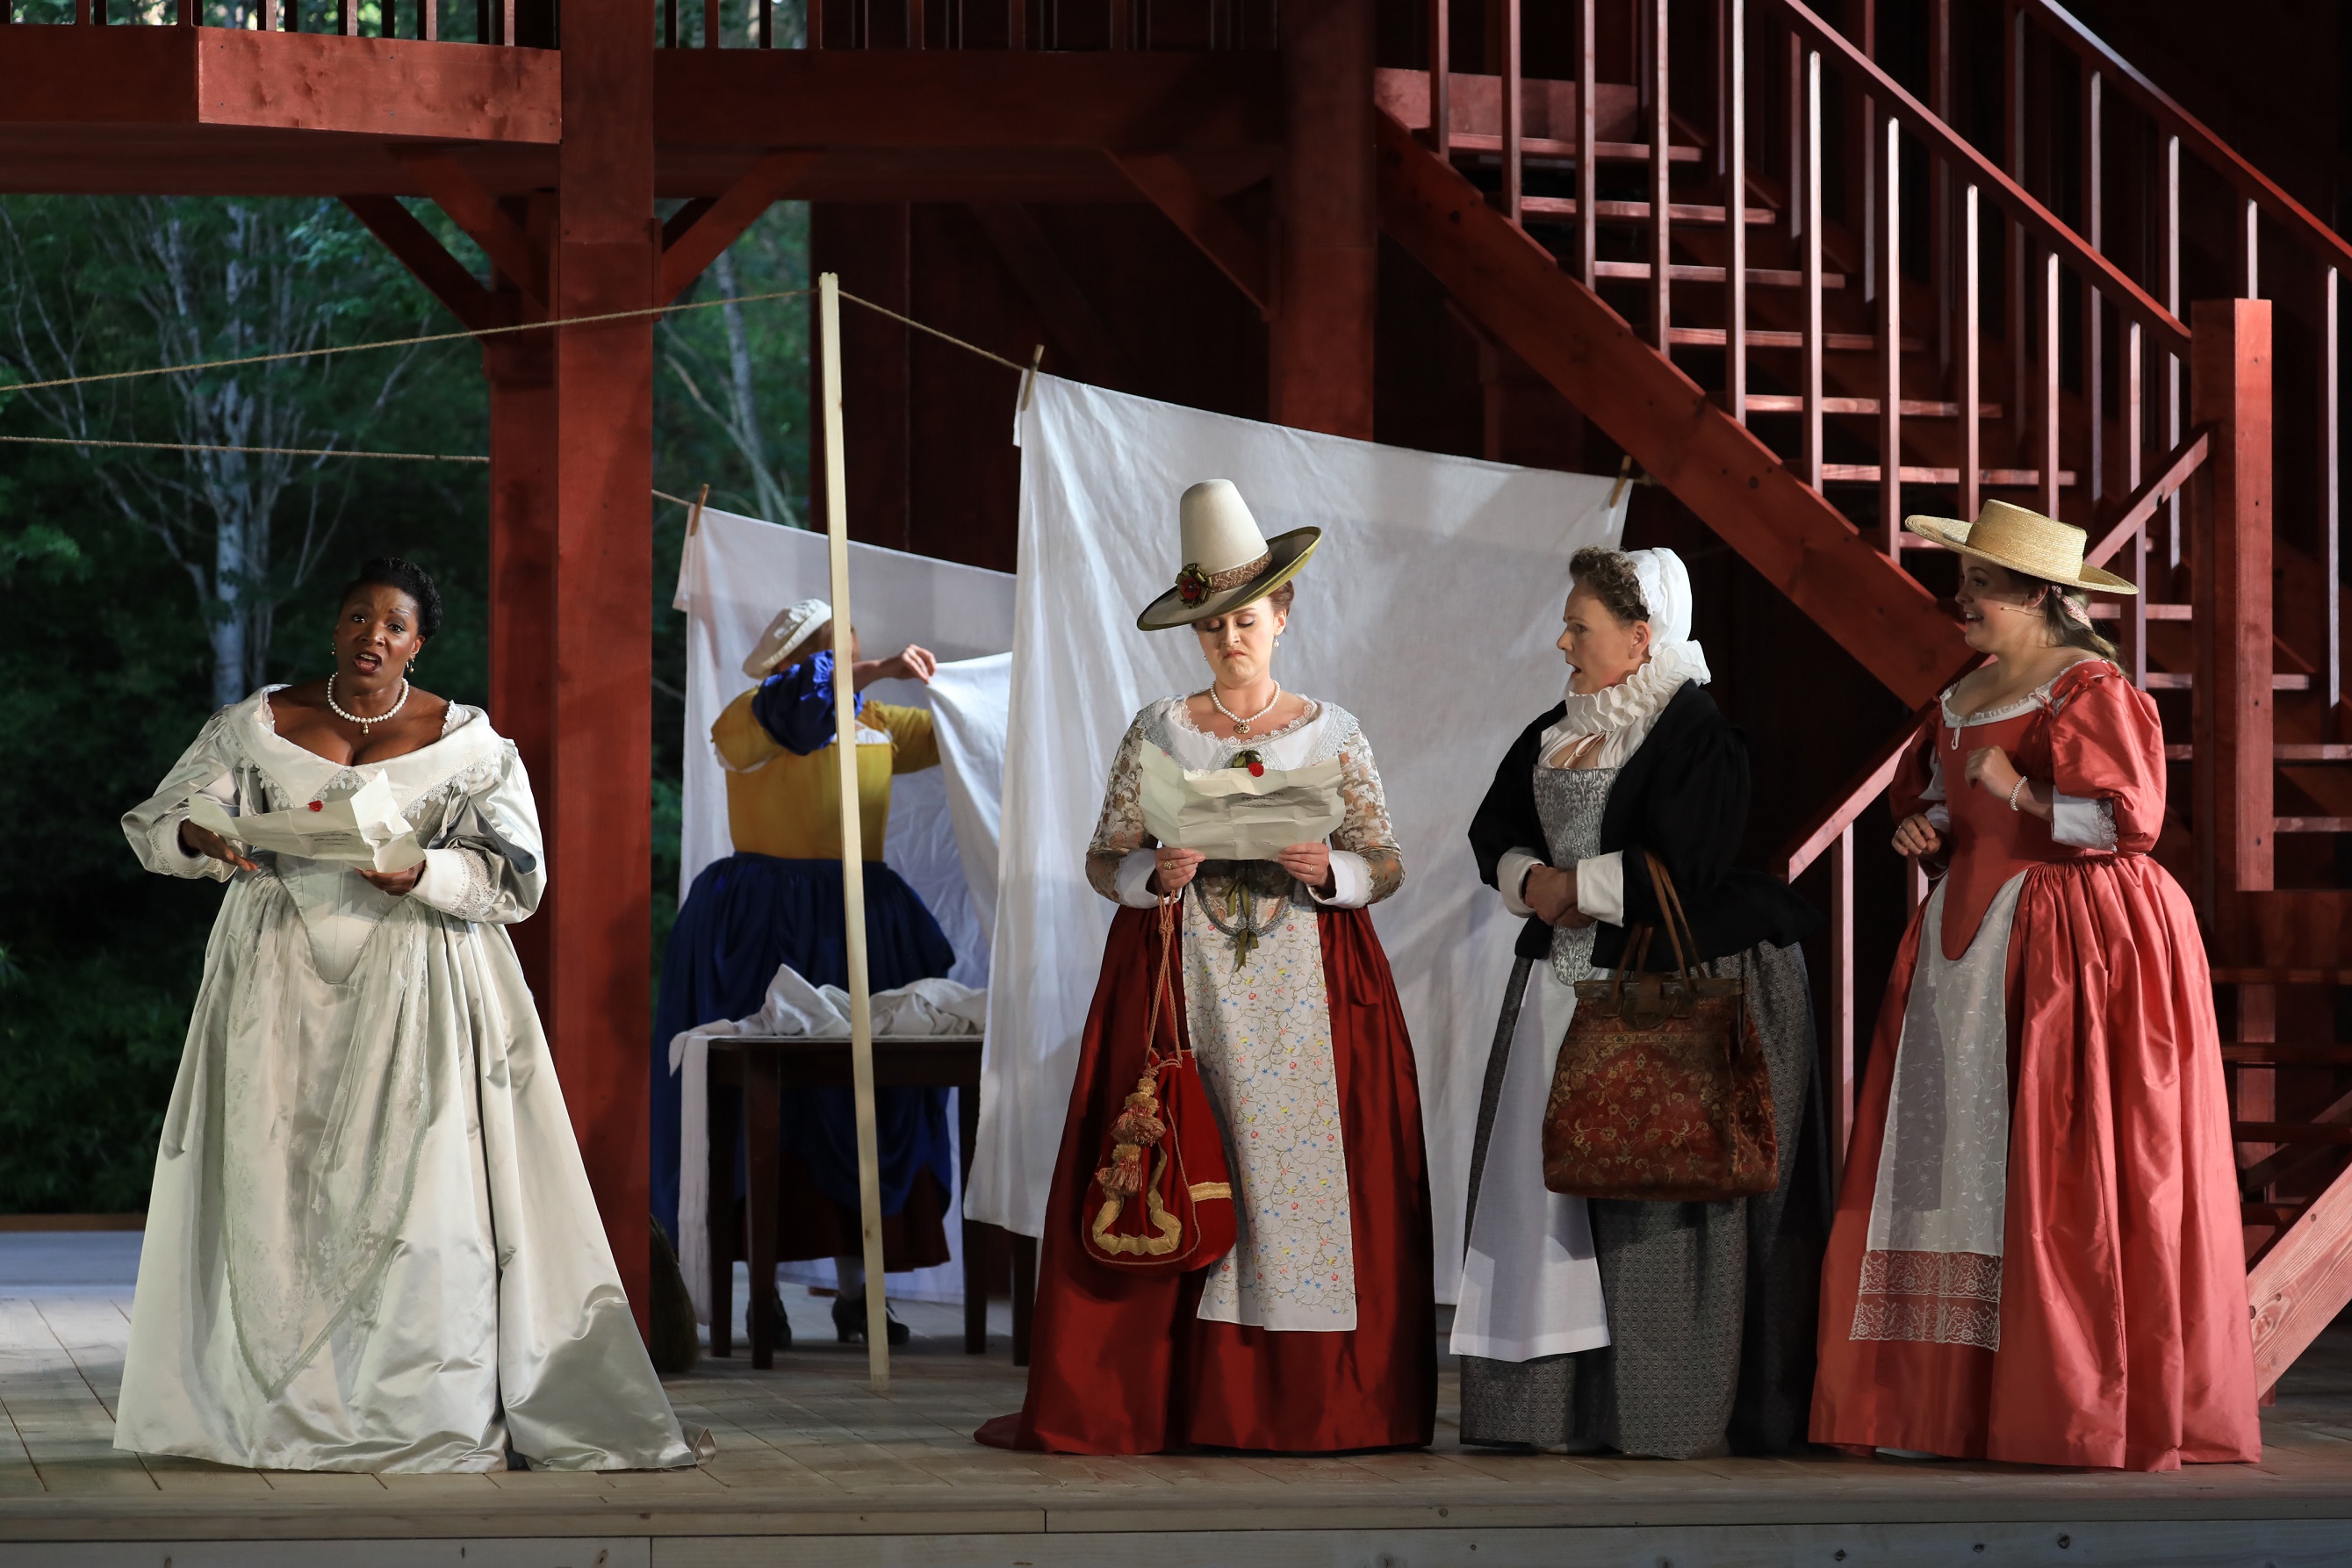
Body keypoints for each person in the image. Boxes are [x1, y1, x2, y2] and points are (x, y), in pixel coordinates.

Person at [114, 557, 693, 1473]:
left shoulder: (472, 745)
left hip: (417, 975)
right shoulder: (254, 725)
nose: (371, 636)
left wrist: (421, 870)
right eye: (356, 618)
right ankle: (267, 1403)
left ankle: (414, 1400)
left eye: (393, 624)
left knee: (424, 1190)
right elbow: (163, 817)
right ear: (335, 627)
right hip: (276, 972)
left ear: (420, 643)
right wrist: (200, 834)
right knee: (273, 1173)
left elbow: (518, 875)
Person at [978, 479, 1435, 1454]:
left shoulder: (1333, 731)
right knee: (1186, 1153)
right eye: (1213, 626)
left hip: (1307, 975)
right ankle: (1175, 1386)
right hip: (1181, 976)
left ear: (1283, 614)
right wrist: (1154, 868)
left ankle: (1304, 1395)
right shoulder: (1159, 729)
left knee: (1290, 1171)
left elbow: (1388, 859)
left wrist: (1334, 869)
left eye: (1247, 620)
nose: (1231, 639)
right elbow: (1105, 856)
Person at [1810, 501, 2261, 1471]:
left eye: (1979, 583)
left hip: (2075, 938)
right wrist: (1922, 829)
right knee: (1950, 1155)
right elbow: (1937, 797)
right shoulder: (1966, 691)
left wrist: (2021, 793)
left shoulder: (2089, 686)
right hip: (1968, 936)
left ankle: (2060, 1398)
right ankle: (1935, 1402)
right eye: (1965, 579)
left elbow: (2125, 824)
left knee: (2062, 1154)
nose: (1959, 598)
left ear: (2039, 596)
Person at [1459, 545, 1824, 1458]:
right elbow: (1493, 825)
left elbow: (1690, 861)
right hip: (1555, 984)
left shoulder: (1696, 729)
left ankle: (1654, 1409)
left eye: (1580, 627)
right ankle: (1542, 1410)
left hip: (1650, 987)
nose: (1563, 640)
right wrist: (1527, 879)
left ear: (1639, 636)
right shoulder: (1558, 724)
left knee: (1646, 1188)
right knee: (1542, 1196)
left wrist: (1575, 885)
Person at [651, 598, 949, 1347]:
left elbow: (967, 733)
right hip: (762, 924)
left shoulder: (878, 723)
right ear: (793, 663)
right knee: (760, 1106)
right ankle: (755, 1296)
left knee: (867, 1104)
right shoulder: (750, 716)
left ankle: (860, 1293)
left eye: (849, 651)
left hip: (860, 918)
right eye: (832, 656)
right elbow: (803, 708)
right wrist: (867, 671)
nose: (849, 667)